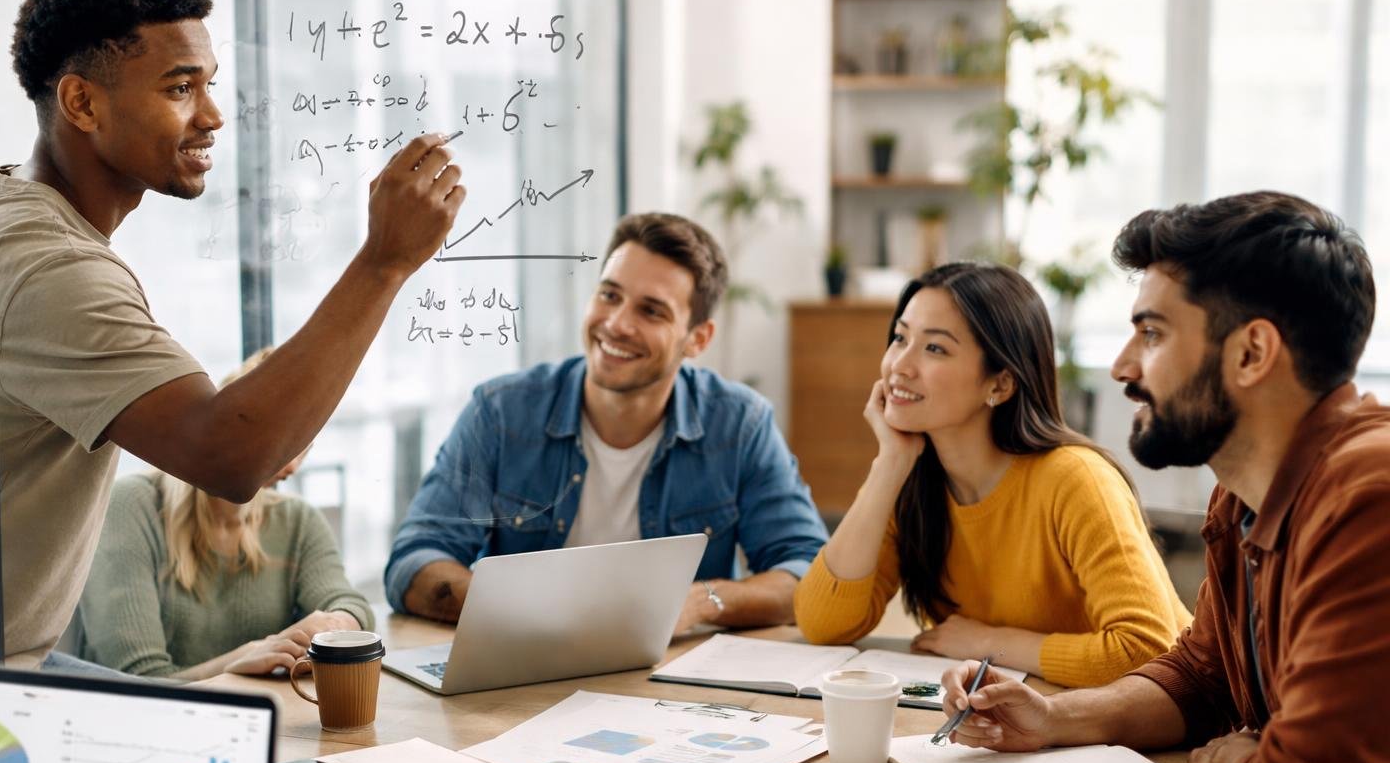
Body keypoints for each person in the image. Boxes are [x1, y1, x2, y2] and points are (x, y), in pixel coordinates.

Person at [0, 0, 463, 763]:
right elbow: (230, 454)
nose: (213, 114)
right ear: (82, 102)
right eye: (181, 87)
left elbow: (197, 425)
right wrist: (385, 261)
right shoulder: (42, 263)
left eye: (209, 83)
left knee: (219, 762)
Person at [937, 192, 1389, 763]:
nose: (1122, 366)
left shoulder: (1368, 494)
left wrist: (1239, 759)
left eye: (1150, 333)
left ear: (1251, 353)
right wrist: (1054, 718)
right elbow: (1203, 677)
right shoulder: (1243, 495)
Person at [385, 212, 827, 633]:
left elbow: (806, 575)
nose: (616, 324)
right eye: (609, 295)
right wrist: (521, 610)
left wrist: (697, 602)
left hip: (670, 684)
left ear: (697, 338)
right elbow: (416, 559)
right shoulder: (500, 412)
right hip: (524, 673)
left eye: (651, 311)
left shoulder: (740, 425)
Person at [795, 262, 1190, 687]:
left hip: (1158, 730)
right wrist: (888, 465)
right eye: (900, 338)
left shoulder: (1076, 479)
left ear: (999, 385)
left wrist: (989, 643)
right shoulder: (911, 479)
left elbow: (1147, 650)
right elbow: (823, 625)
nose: (899, 366)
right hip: (1031, 720)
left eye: (935, 349)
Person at [76, 349, 373, 680]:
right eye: (278, 440)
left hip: (255, 718)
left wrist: (334, 624)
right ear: (235, 428)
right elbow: (139, 680)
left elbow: (351, 605)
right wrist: (240, 662)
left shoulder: (297, 520)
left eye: (304, 442)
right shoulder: (131, 506)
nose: (290, 466)